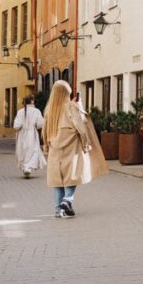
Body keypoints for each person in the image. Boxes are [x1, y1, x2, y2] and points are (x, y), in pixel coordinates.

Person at [42, 80, 108, 218]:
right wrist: (86, 143)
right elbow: (81, 126)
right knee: (72, 175)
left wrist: (46, 146)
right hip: (71, 147)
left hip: (55, 149)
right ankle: (67, 200)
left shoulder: (49, 110)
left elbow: (44, 131)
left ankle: (58, 210)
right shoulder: (70, 106)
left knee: (57, 180)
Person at [12, 94, 45, 178]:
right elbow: (40, 124)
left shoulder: (20, 111)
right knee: (33, 151)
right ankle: (28, 167)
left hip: (22, 134)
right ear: (32, 101)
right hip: (32, 134)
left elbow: (16, 125)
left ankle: (25, 168)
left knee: (23, 151)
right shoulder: (36, 111)